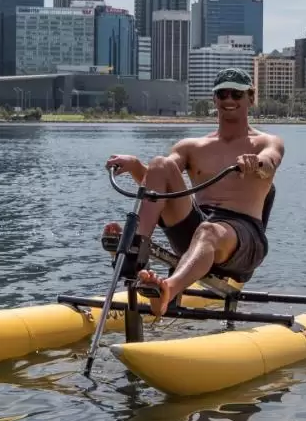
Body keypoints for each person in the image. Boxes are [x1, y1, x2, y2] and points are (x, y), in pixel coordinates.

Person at [104, 67, 285, 317]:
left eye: (237, 94)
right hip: (198, 225)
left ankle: (167, 289)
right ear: (214, 100)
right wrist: (135, 165)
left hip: (244, 238)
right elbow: (157, 188)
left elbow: (270, 162)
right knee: (160, 163)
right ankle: (134, 252)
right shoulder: (192, 147)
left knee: (208, 231)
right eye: (223, 94)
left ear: (250, 98)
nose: (229, 100)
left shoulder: (266, 142)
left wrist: (257, 164)